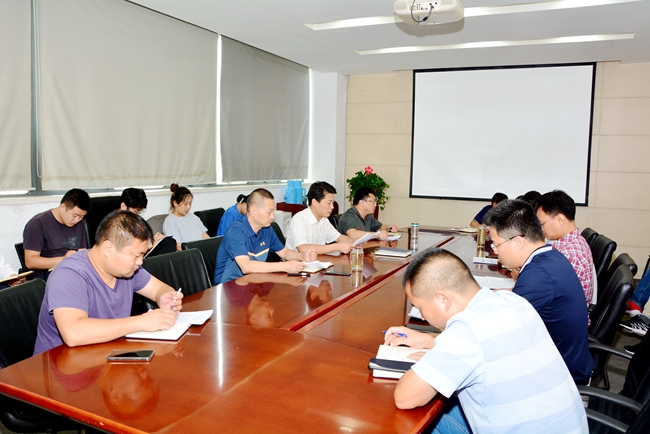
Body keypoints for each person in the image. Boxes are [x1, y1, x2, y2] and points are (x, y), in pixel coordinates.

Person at [384, 247, 587, 433]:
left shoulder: (466, 331)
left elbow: (405, 398)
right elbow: (487, 346)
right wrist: (430, 340)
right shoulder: (512, 301)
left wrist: (433, 359)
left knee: (412, 424)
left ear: (443, 299)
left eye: (420, 307)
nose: (422, 315)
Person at [34, 210, 183, 355]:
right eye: (137, 255)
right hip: (62, 363)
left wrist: (164, 296)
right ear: (108, 248)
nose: (140, 262)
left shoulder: (128, 269)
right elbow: (73, 333)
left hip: (107, 354)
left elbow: (159, 289)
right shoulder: (69, 275)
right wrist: (141, 322)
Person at [484, 199, 593, 383]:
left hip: (559, 375)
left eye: (496, 245)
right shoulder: (550, 256)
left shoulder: (539, 273)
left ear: (518, 241)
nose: (496, 252)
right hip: (558, 357)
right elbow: (515, 296)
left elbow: (499, 328)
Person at [214, 188, 317, 285]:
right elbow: (246, 266)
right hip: (229, 287)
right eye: (269, 212)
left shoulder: (266, 229)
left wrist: (303, 256)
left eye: (273, 212)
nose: (272, 217)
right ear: (254, 211)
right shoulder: (236, 231)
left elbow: (284, 253)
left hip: (253, 283)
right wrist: (284, 266)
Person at [535, 190, 595, 307]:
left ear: (560, 220)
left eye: (542, 224)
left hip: (563, 314)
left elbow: (544, 292)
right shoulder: (572, 242)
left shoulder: (570, 254)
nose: (541, 229)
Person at [23, 188, 91, 278]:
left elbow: (82, 252)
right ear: (62, 207)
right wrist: (63, 260)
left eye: (81, 217)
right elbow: (30, 262)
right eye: (74, 215)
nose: (77, 220)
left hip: (72, 270)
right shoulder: (38, 224)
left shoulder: (80, 223)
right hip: (45, 274)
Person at [286, 182, 355, 255]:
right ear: (314, 202)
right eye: (329, 203)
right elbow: (303, 249)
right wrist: (336, 247)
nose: (332, 207)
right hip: (298, 261)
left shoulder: (323, 219)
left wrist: (354, 242)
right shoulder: (299, 220)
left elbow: (338, 238)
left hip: (317, 260)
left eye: (333, 203)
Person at [119, 187, 176, 256]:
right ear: (123, 206)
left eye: (138, 213)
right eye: (135, 212)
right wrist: (150, 245)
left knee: (169, 242)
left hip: (142, 253)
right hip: (131, 258)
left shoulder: (133, 222)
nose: (137, 216)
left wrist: (153, 242)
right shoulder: (115, 225)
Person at [162, 184, 209, 250]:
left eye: (190, 203)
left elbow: (206, 237)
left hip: (203, 252)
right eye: (185, 204)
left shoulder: (194, 217)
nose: (188, 207)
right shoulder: (170, 221)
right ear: (175, 203)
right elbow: (178, 246)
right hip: (188, 254)